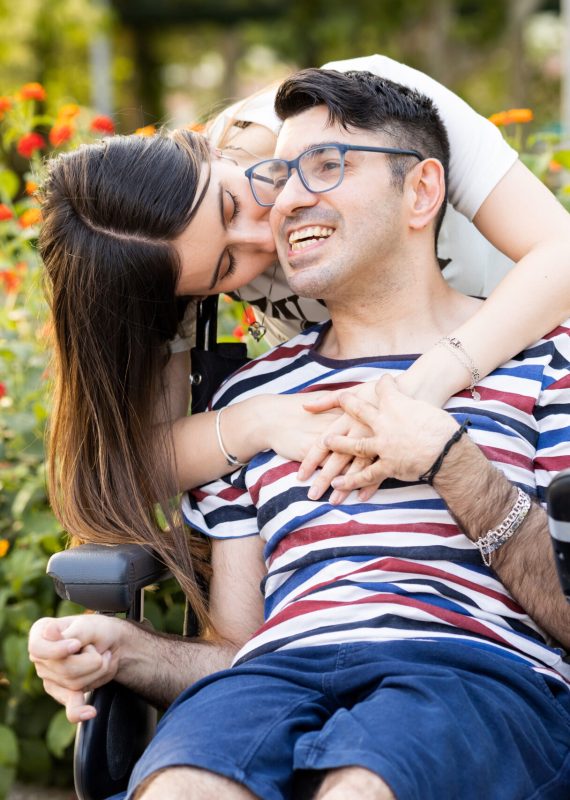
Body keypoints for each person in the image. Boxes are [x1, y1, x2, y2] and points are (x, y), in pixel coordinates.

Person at [31, 69, 570, 800]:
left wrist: (445, 451)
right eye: (225, 266)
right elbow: (237, 648)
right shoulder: (251, 396)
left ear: (418, 191)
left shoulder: (546, 360)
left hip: (469, 670)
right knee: (184, 786)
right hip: (274, 675)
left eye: (320, 170)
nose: (275, 217)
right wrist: (130, 651)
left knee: (366, 782)